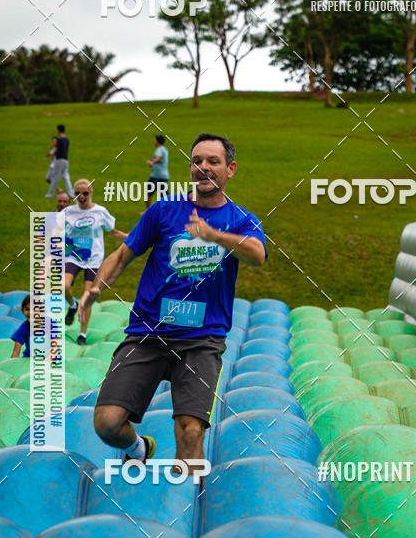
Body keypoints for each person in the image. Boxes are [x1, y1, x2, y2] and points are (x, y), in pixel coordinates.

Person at [79, 132, 267, 469]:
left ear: (231, 169)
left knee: (190, 431)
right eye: (197, 161)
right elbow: (122, 255)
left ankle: (186, 507)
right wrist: (96, 287)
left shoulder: (241, 219)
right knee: (106, 424)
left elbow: (257, 255)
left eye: (213, 161)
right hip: (147, 333)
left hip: (202, 339)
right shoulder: (164, 210)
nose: (203, 168)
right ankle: (138, 448)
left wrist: (214, 235)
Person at [64, 179, 127, 345]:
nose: (82, 196)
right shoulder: (69, 212)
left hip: (93, 258)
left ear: (91, 193)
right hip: (74, 256)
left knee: (89, 295)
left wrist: (129, 237)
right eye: (78, 193)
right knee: (64, 286)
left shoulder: (100, 212)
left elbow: (112, 231)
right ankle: (72, 305)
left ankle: (82, 334)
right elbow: (58, 232)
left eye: (85, 193)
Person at [45, 124, 74, 198]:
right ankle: (71, 194)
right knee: (66, 177)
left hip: (59, 160)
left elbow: (57, 149)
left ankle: (50, 194)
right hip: (65, 160)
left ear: (58, 130)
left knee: (55, 178)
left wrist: (52, 154)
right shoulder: (67, 139)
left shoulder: (59, 139)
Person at [144, 134, 169, 212]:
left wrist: (152, 162)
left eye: (155, 140)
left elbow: (158, 157)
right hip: (164, 176)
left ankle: (147, 211)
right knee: (165, 195)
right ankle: (169, 210)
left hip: (156, 176)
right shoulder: (165, 149)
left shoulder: (159, 150)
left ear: (157, 141)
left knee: (148, 193)